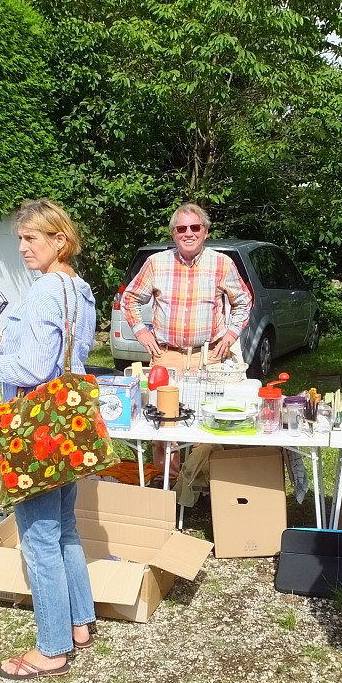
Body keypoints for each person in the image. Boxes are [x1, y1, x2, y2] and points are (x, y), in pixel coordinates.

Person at [0, 198, 98, 680]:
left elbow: (35, 369)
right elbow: (56, 356)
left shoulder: (42, 292)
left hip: (36, 427)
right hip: (65, 424)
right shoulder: (80, 289)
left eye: (31, 237)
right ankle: (80, 623)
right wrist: (2, 344)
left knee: (38, 539)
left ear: (60, 238)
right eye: (19, 238)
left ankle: (52, 650)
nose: (22, 247)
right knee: (65, 527)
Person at [121, 202, 252, 478]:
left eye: (195, 227)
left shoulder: (222, 263)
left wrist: (230, 334)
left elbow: (243, 301)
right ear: (173, 234)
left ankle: (202, 484)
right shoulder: (156, 263)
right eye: (182, 228)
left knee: (211, 421)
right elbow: (130, 298)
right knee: (163, 425)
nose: (188, 233)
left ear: (205, 231)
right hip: (167, 355)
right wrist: (142, 332)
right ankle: (167, 487)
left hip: (210, 356)